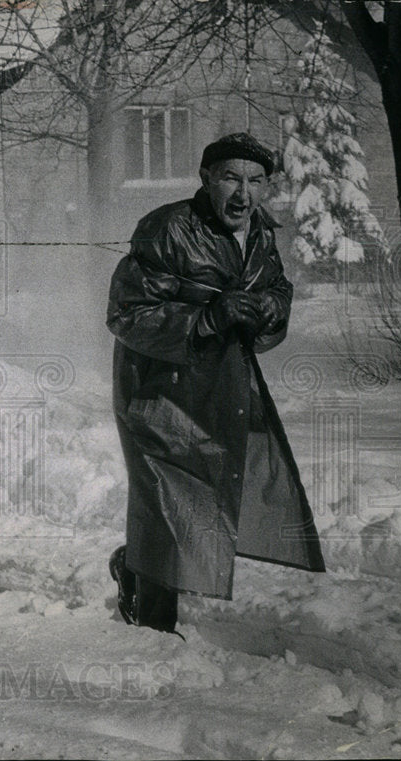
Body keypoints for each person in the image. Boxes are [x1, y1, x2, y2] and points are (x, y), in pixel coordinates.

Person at [105, 132, 325, 635]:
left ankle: (133, 564)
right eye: (230, 178)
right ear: (206, 179)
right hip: (158, 384)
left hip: (221, 382)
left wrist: (273, 308)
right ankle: (154, 629)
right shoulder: (167, 228)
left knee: (208, 490)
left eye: (255, 181)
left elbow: (276, 286)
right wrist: (204, 318)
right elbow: (126, 314)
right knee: (167, 495)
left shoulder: (263, 233)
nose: (243, 194)